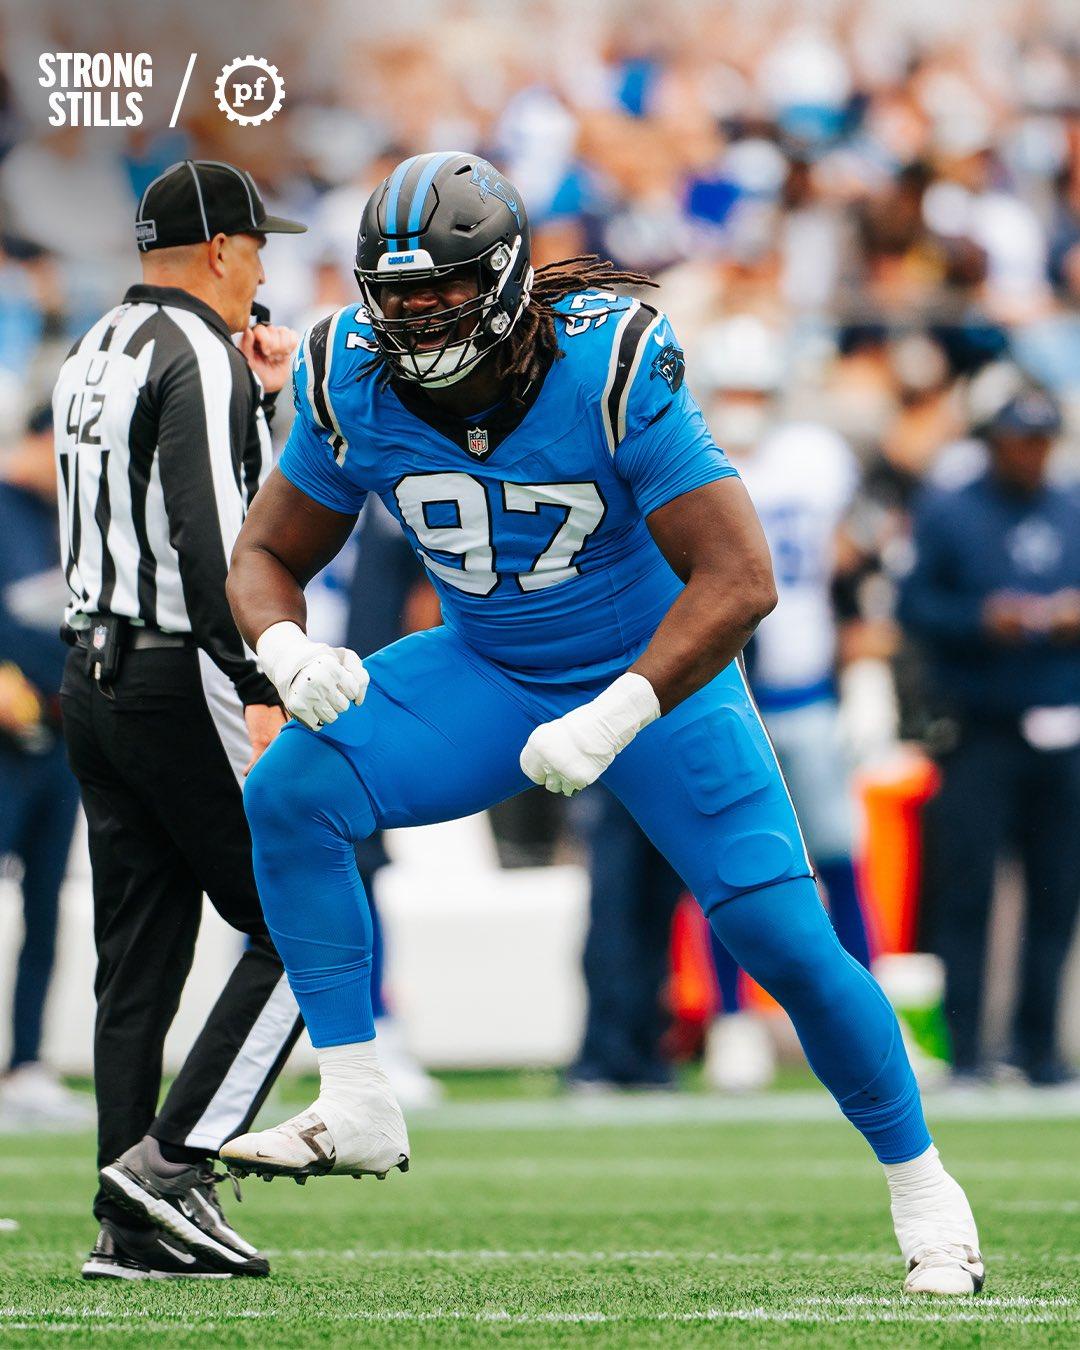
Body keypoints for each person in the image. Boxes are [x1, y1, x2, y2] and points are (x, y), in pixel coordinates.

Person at [224, 151, 982, 1295]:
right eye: (398, 293)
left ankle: (925, 1190)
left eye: (443, 286)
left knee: (784, 938)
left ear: (505, 277)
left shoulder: (606, 357)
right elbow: (268, 552)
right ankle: (359, 1096)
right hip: (487, 666)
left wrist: (617, 712)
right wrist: (285, 650)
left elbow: (740, 578)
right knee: (291, 791)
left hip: (654, 677)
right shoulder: (349, 370)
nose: (418, 314)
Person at [51, 161, 307, 1280]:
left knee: (138, 962)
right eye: (257, 245)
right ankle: (172, 1164)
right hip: (176, 676)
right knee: (307, 922)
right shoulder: (194, 351)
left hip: (92, 675)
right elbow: (216, 549)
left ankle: (128, 1230)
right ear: (219, 249)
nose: (262, 267)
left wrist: (261, 399)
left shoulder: (96, 346)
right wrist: (262, 686)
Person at [695, 316, 873, 1092]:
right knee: (727, 865)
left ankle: (865, 1010)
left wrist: (859, 659)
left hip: (806, 690)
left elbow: (849, 558)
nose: (744, 405)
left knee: (837, 854)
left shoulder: (814, 459)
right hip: (722, 693)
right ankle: (732, 1019)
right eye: (733, 390)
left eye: (756, 391)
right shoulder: (687, 456)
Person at [899, 388, 1080, 1087]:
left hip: (1062, 728)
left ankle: (1039, 1048)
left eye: (1041, 441)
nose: (1031, 454)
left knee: (1056, 893)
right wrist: (982, 619)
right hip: (981, 729)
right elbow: (914, 605)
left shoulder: (1069, 508)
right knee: (967, 891)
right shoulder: (952, 510)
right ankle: (967, 1048)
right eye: (1019, 440)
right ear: (994, 441)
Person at [0, 404, 88, 1126]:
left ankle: (26, 1061)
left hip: (61, 740)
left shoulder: (73, 520)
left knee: (45, 906)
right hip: (3, 745)